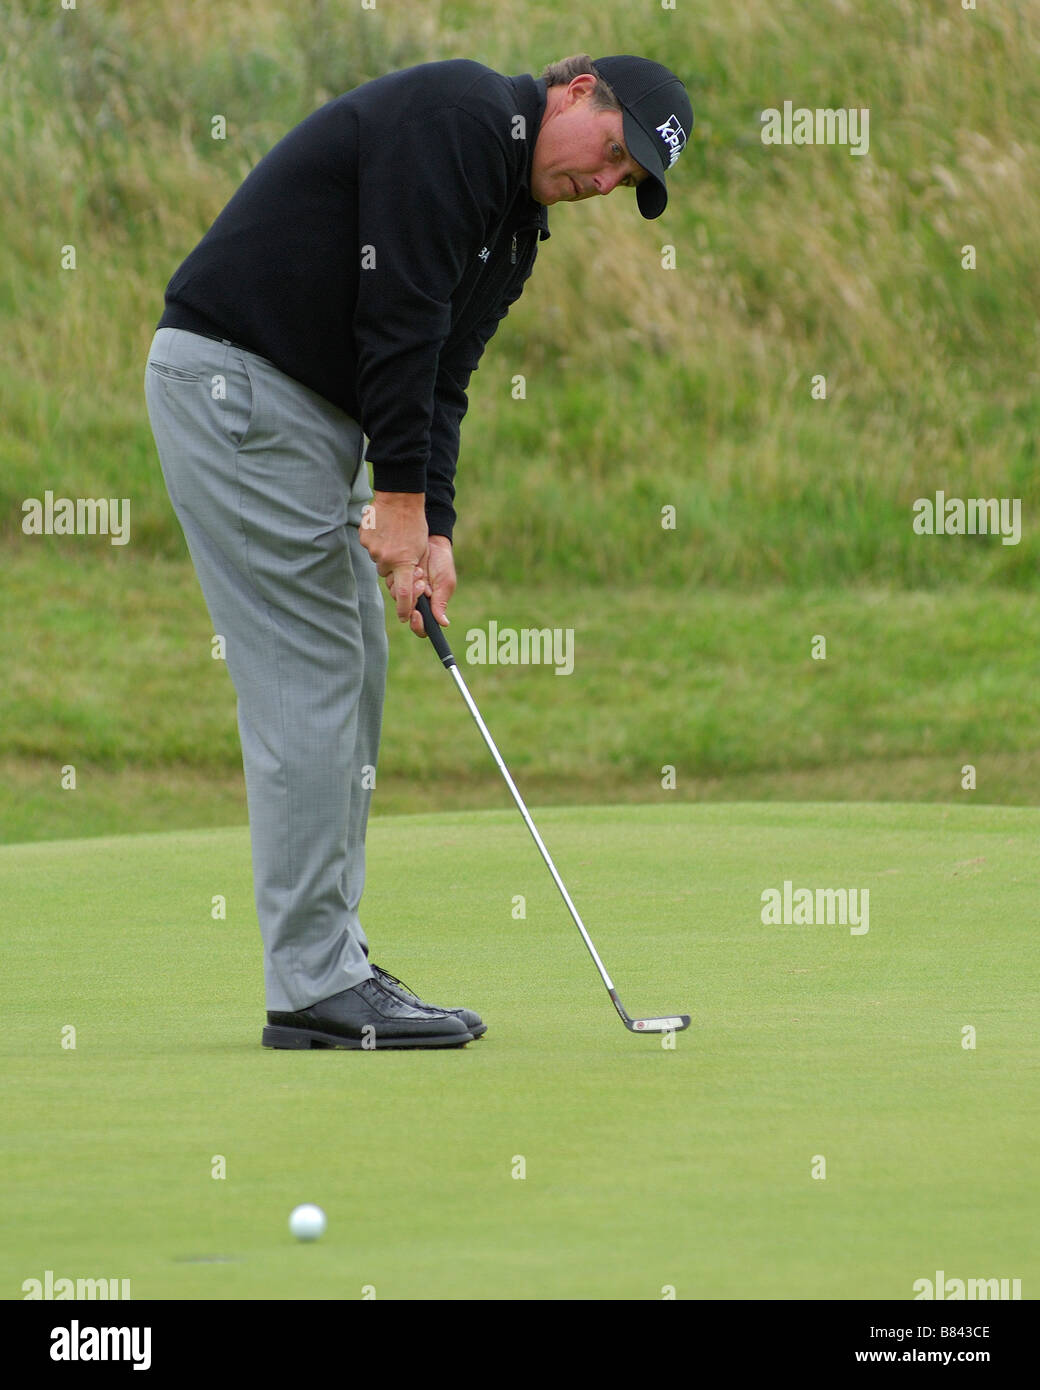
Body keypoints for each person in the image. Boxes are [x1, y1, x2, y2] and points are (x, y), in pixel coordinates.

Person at [143, 53, 692, 1050]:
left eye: (625, 182)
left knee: (346, 666)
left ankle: (326, 967)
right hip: (239, 389)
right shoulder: (466, 115)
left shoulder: (515, 231)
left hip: (296, 415)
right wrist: (392, 499)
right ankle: (314, 983)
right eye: (611, 153)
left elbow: (441, 375)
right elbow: (394, 305)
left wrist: (428, 528)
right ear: (576, 90)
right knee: (315, 666)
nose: (605, 181)